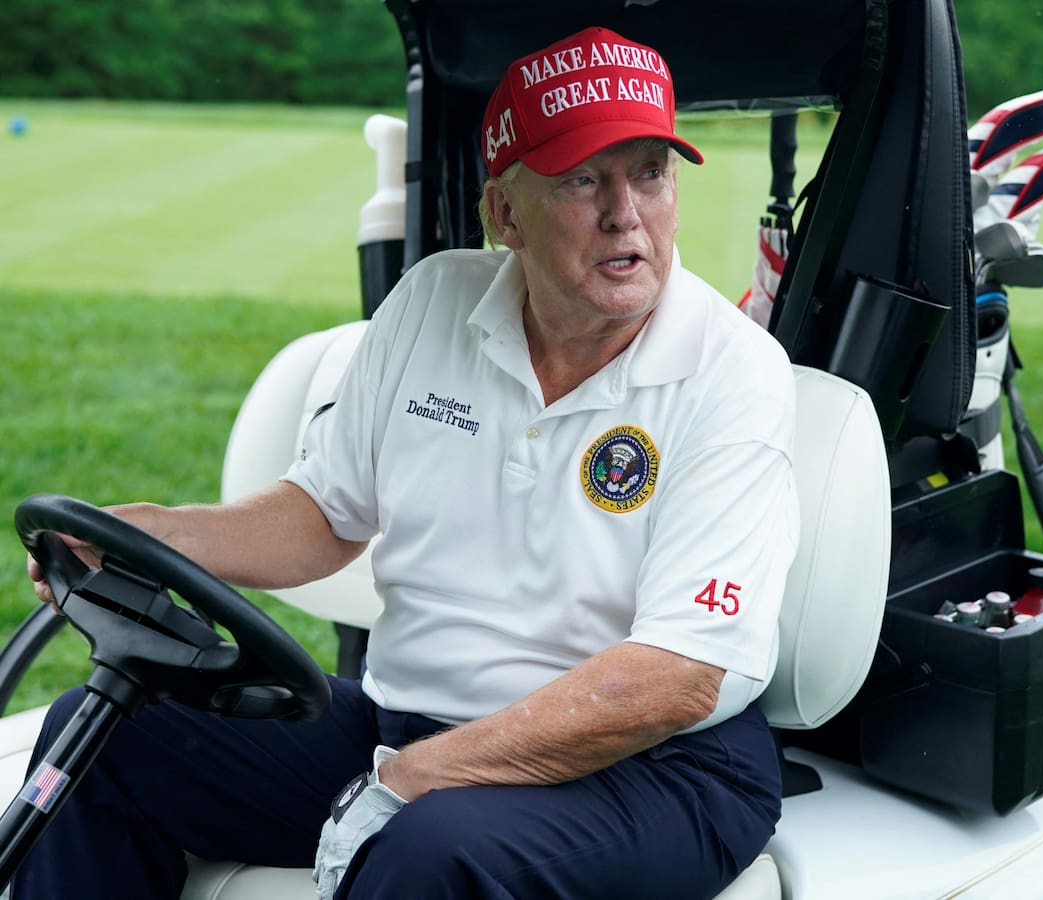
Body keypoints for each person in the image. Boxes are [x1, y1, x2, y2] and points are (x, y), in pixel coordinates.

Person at [18, 25, 799, 900]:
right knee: (100, 740)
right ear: (505, 213)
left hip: (654, 766)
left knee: (431, 853)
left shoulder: (731, 371)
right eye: (583, 179)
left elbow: (677, 675)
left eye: (650, 172)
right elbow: (322, 516)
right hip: (411, 727)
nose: (627, 213)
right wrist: (148, 534)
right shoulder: (434, 302)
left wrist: (405, 783)